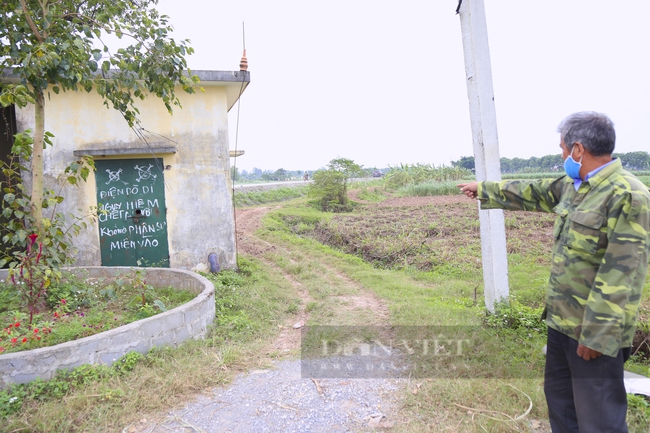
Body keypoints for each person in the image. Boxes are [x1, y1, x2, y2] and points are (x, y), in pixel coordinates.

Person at [458, 111, 650, 433]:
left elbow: (624, 274)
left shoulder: (627, 196)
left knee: (598, 419)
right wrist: (484, 189)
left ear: (578, 149)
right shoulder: (575, 186)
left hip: (594, 332)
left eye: (562, 148)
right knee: (562, 406)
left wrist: (597, 336)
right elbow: (534, 191)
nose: (561, 155)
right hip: (562, 322)